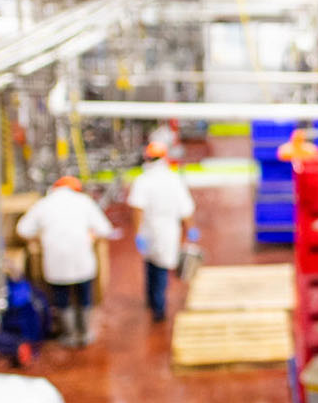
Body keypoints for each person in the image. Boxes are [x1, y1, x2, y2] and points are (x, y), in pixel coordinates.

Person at [15, 175, 117, 347]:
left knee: (62, 298)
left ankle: (69, 335)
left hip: (56, 262)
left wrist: (39, 238)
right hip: (82, 260)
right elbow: (105, 229)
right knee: (84, 296)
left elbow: (22, 230)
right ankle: (84, 333)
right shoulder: (84, 202)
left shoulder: (44, 204)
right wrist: (91, 235)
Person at [128, 140, 196, 323]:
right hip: (167, 229)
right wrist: (190, 229)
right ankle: (157, 306)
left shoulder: (143, 180)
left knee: (152, 266)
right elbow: (186, 208)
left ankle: (155, 304)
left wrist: (138, 233)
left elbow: (137, 208)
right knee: (160, 268)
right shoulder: (173, 179)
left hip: (150, 228)